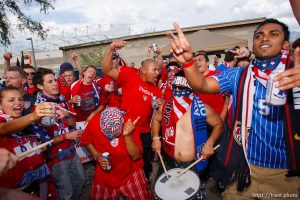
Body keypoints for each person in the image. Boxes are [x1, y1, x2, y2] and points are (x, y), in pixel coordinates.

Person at [167, 19, 300, 199]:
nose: (264, 38)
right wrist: (188, 63)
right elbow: (202, 85)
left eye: (273, 34)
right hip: (242, 168)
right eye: (259, 35)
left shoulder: (295, 72)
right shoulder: (238, 75)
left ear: (285, 44)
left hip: (285, 174)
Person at [102, 40, 162, 180]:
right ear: (144, 69)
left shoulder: (156, 90)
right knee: (126, 161)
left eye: (159, 70)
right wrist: (110, 49)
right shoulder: (129, 75)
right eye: (155, 69)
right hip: (127, 130)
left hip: (145, 132)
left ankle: (144, 182)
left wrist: (162, 103)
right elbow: (107, 69)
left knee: (145, 162)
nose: (158, 73)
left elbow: (160, 114)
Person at [33, 68, 85, 200]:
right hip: (56, 157)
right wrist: (66, 136)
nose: (55, 84)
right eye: (50, 82)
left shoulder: (62, 100)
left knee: (80, 180)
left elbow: (73, 123)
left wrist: (67, 115)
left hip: (71, 151)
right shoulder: (38, 109)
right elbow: (43, 144)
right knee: (65, 192)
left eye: (55, 80)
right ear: (40, 86)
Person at [81, 107, 151, 199]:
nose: (111, 137)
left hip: (130, 171)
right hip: (105, 175)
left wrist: (128, 135)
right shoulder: (94, 121)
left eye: (115, 134)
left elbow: (136, 156)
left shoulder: (131, 122)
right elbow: (86, 141)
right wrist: (96, 155)